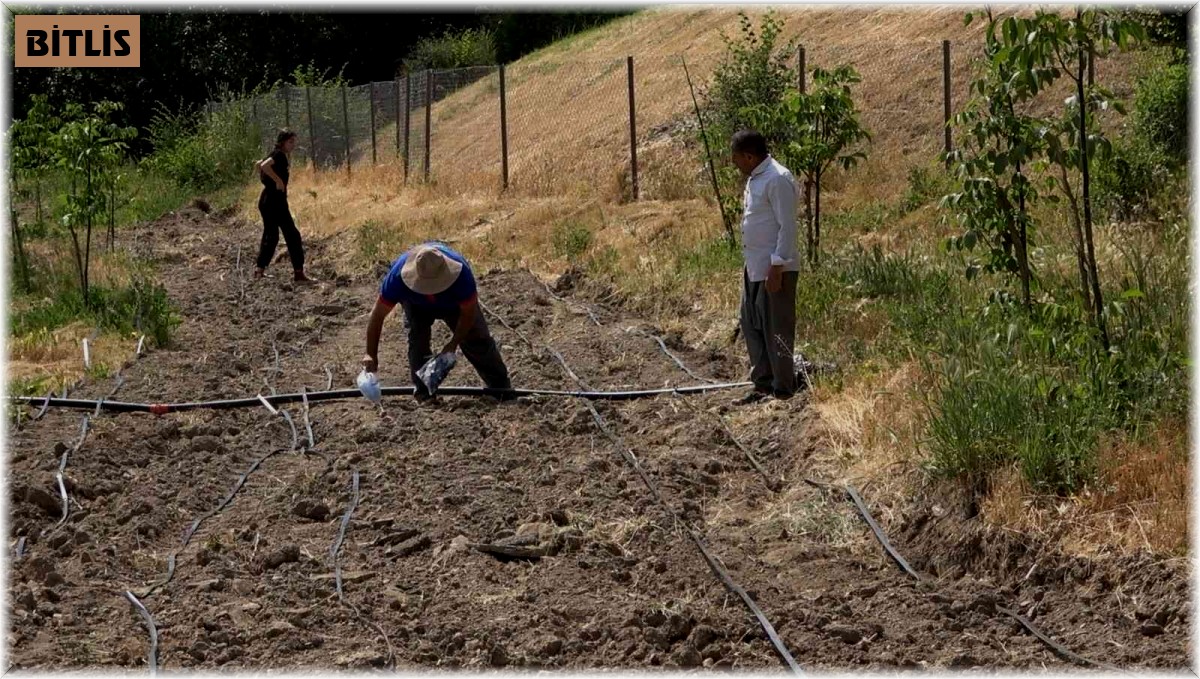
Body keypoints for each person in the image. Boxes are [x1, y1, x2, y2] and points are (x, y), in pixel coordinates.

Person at [361, 242, 513, 401]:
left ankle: (501, 389)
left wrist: (453, 344)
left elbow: (468, 314)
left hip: (452, 304)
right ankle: (424, 393)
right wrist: (370, 354)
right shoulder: (397, 278)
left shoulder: (462, 276)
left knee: (476, 338)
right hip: (415, 304)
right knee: (417, 339)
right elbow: (378, 315)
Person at [730, 129, 802, 404]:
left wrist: (777, 266)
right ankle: (762, 384)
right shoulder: (755, 178)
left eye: (736, 158)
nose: (734, 163)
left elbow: (788, 227)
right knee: (752, 324)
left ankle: (783, 388)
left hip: (774, 267)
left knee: (777, 327)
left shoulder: (778, 179)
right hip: (754, 265)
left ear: (749, 156)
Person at [255, 129, 313, 283]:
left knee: (271, 235)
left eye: (294, 141)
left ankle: (259, 271)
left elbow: (258, 164)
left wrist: (267, 180)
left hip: (267, 200)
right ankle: (299, 274)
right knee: (293, 236)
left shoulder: (274, 153)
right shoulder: (279, 155)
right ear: (283, 142)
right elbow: (265, 166)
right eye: (291, 142)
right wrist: (278, 181)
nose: (293, 145)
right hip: (275, 202)